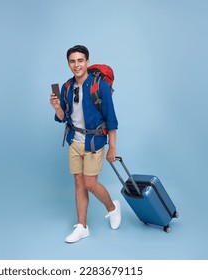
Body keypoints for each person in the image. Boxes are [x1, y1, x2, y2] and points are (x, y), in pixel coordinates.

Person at [49, 45, 121, 243]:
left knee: (90, 183)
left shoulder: (100, 86)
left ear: (87, 62)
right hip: (75, 141)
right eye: (72, 61)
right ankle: (82, 226)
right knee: (79, 183)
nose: (76, 65)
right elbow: (63, 117)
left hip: (94, 141)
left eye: (80, 60)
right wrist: (56, 107)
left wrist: (112, 147)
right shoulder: (66, 87)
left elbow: (111, 118)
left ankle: (112, 207)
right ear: (68, 64)